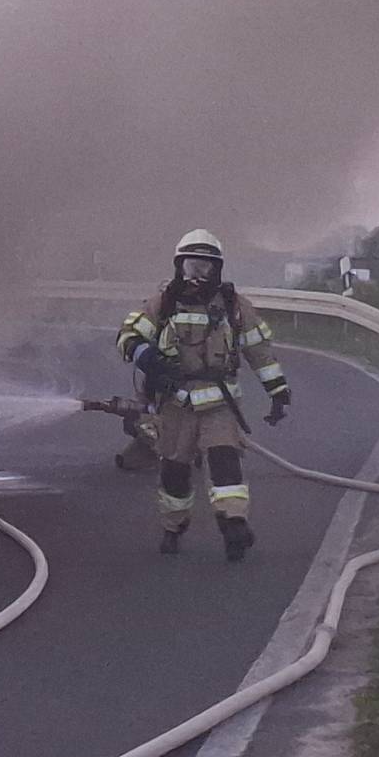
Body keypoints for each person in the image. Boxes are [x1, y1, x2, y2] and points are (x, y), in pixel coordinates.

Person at [115, 230, 292, 561]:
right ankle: (173, 528)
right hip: (176, 405)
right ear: (179, 266)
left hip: (220, 405)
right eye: (192, 267)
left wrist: (278, 392)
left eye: (205, 267)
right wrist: (148, 357)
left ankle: (234, 526)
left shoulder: (233, 306)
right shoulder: (163, 303)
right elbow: (127, 337)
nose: (198, 275)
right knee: (175, 473)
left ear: (217, 269)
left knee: (226, 465)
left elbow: (259, 352)